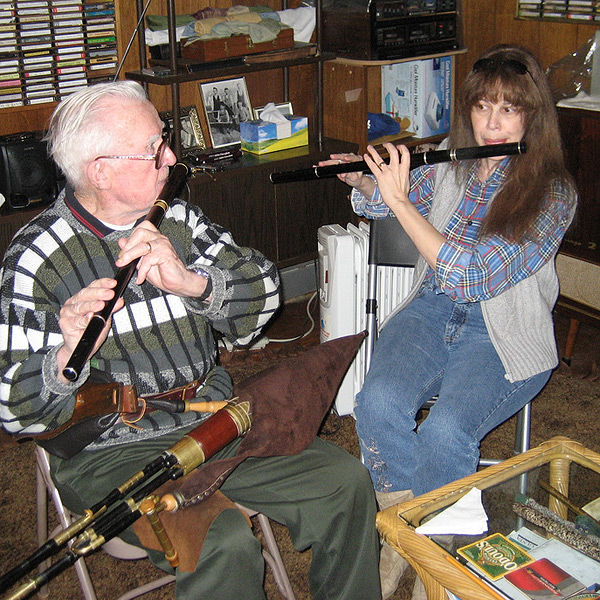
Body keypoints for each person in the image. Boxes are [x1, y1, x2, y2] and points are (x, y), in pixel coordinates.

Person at [0, 81, 381, 600]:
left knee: (345, 483)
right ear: (101, 172)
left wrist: (193, 283)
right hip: (111, 448)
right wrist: (65, 356)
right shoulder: (35, 260)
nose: (171, 157)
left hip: (219, 419)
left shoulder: (176, 219)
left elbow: (266, 294)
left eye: (165, 140)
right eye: (155, 149)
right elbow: (15, 412)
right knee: (223, 543)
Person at [322, 44, 577, 599]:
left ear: (533, 116)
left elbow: (472, 277)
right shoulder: (448, 159)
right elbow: (390, 203)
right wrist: (365, 184)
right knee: (378, 402)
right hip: (431, 310)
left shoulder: (553, 193)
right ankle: (404, 537)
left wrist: (400, 202)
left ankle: (437, 570)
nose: (492, 121)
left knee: (445, 433)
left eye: (509, 109)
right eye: (483, 105)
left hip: (502, 333)